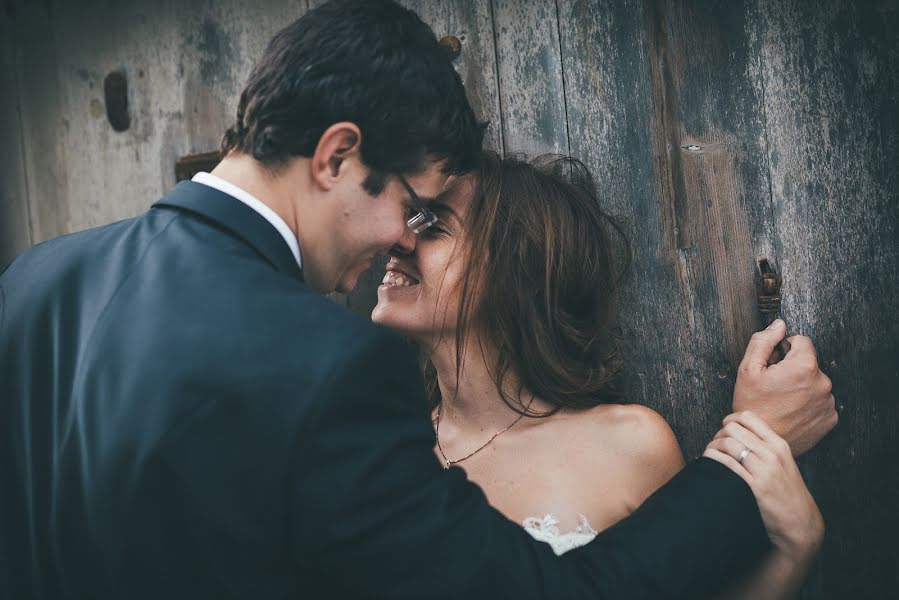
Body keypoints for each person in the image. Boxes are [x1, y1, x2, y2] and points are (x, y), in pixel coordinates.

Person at [0, 1, 837, 598]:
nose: (398, 239)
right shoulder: (326, 363)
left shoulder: (31, 283)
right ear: (335, 157)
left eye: (431, 221)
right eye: (412, 204)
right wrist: (746, 457)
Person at [371, 152, 827, 598]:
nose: (397, 241)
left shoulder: (629, 445)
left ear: (516, 271)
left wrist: (794, 552)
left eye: (432, 226)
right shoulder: (377, 452)